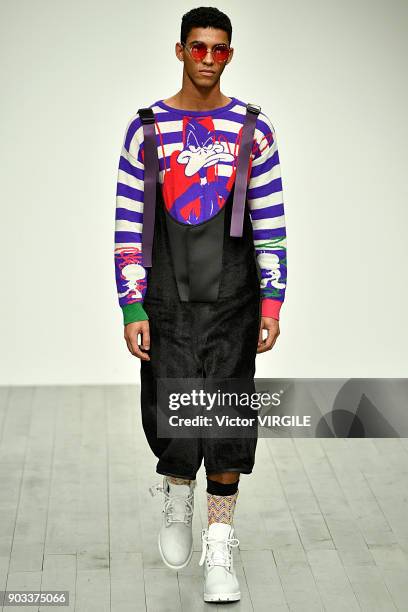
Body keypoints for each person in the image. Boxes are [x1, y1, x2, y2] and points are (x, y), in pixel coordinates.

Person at [114, 6, 287, 603]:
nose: (208, 58)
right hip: (163, 292)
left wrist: (273, 300)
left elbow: (270, 220)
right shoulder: (147, 129)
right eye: (198, 47)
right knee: (174, 409)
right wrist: (131, 306)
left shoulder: (253, 130)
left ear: (230, 54)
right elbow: (129, 225)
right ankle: (176, 487)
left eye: (219, 49)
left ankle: (220, 546)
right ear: (180, 50)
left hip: (237, 291)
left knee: (229, 416)